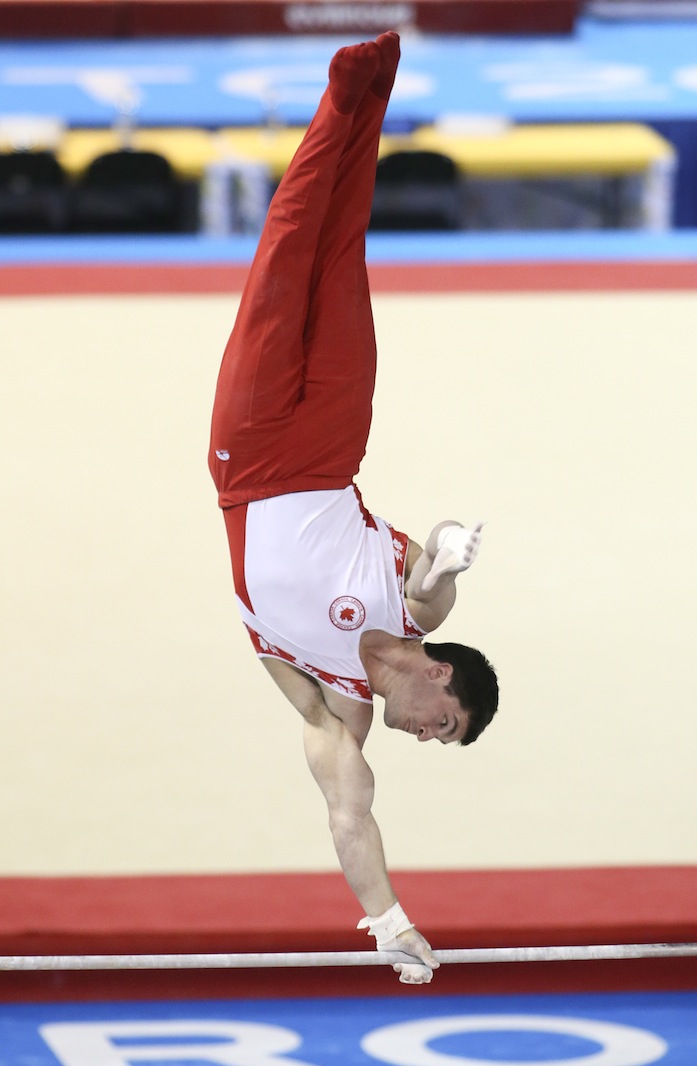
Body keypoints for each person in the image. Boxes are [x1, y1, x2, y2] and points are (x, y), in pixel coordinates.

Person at [208, 33, 498, 985]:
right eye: (445, 723)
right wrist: (446, 551)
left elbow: (348, 813)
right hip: (334, 444)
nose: (427, 737)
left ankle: (344, 95)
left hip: (251, 457)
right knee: (340, 249)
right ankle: (370, 92)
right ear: (441, 676)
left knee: (288, 250)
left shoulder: (335, 704)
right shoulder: (420, 613)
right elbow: (431, 579)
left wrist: (390, 922)